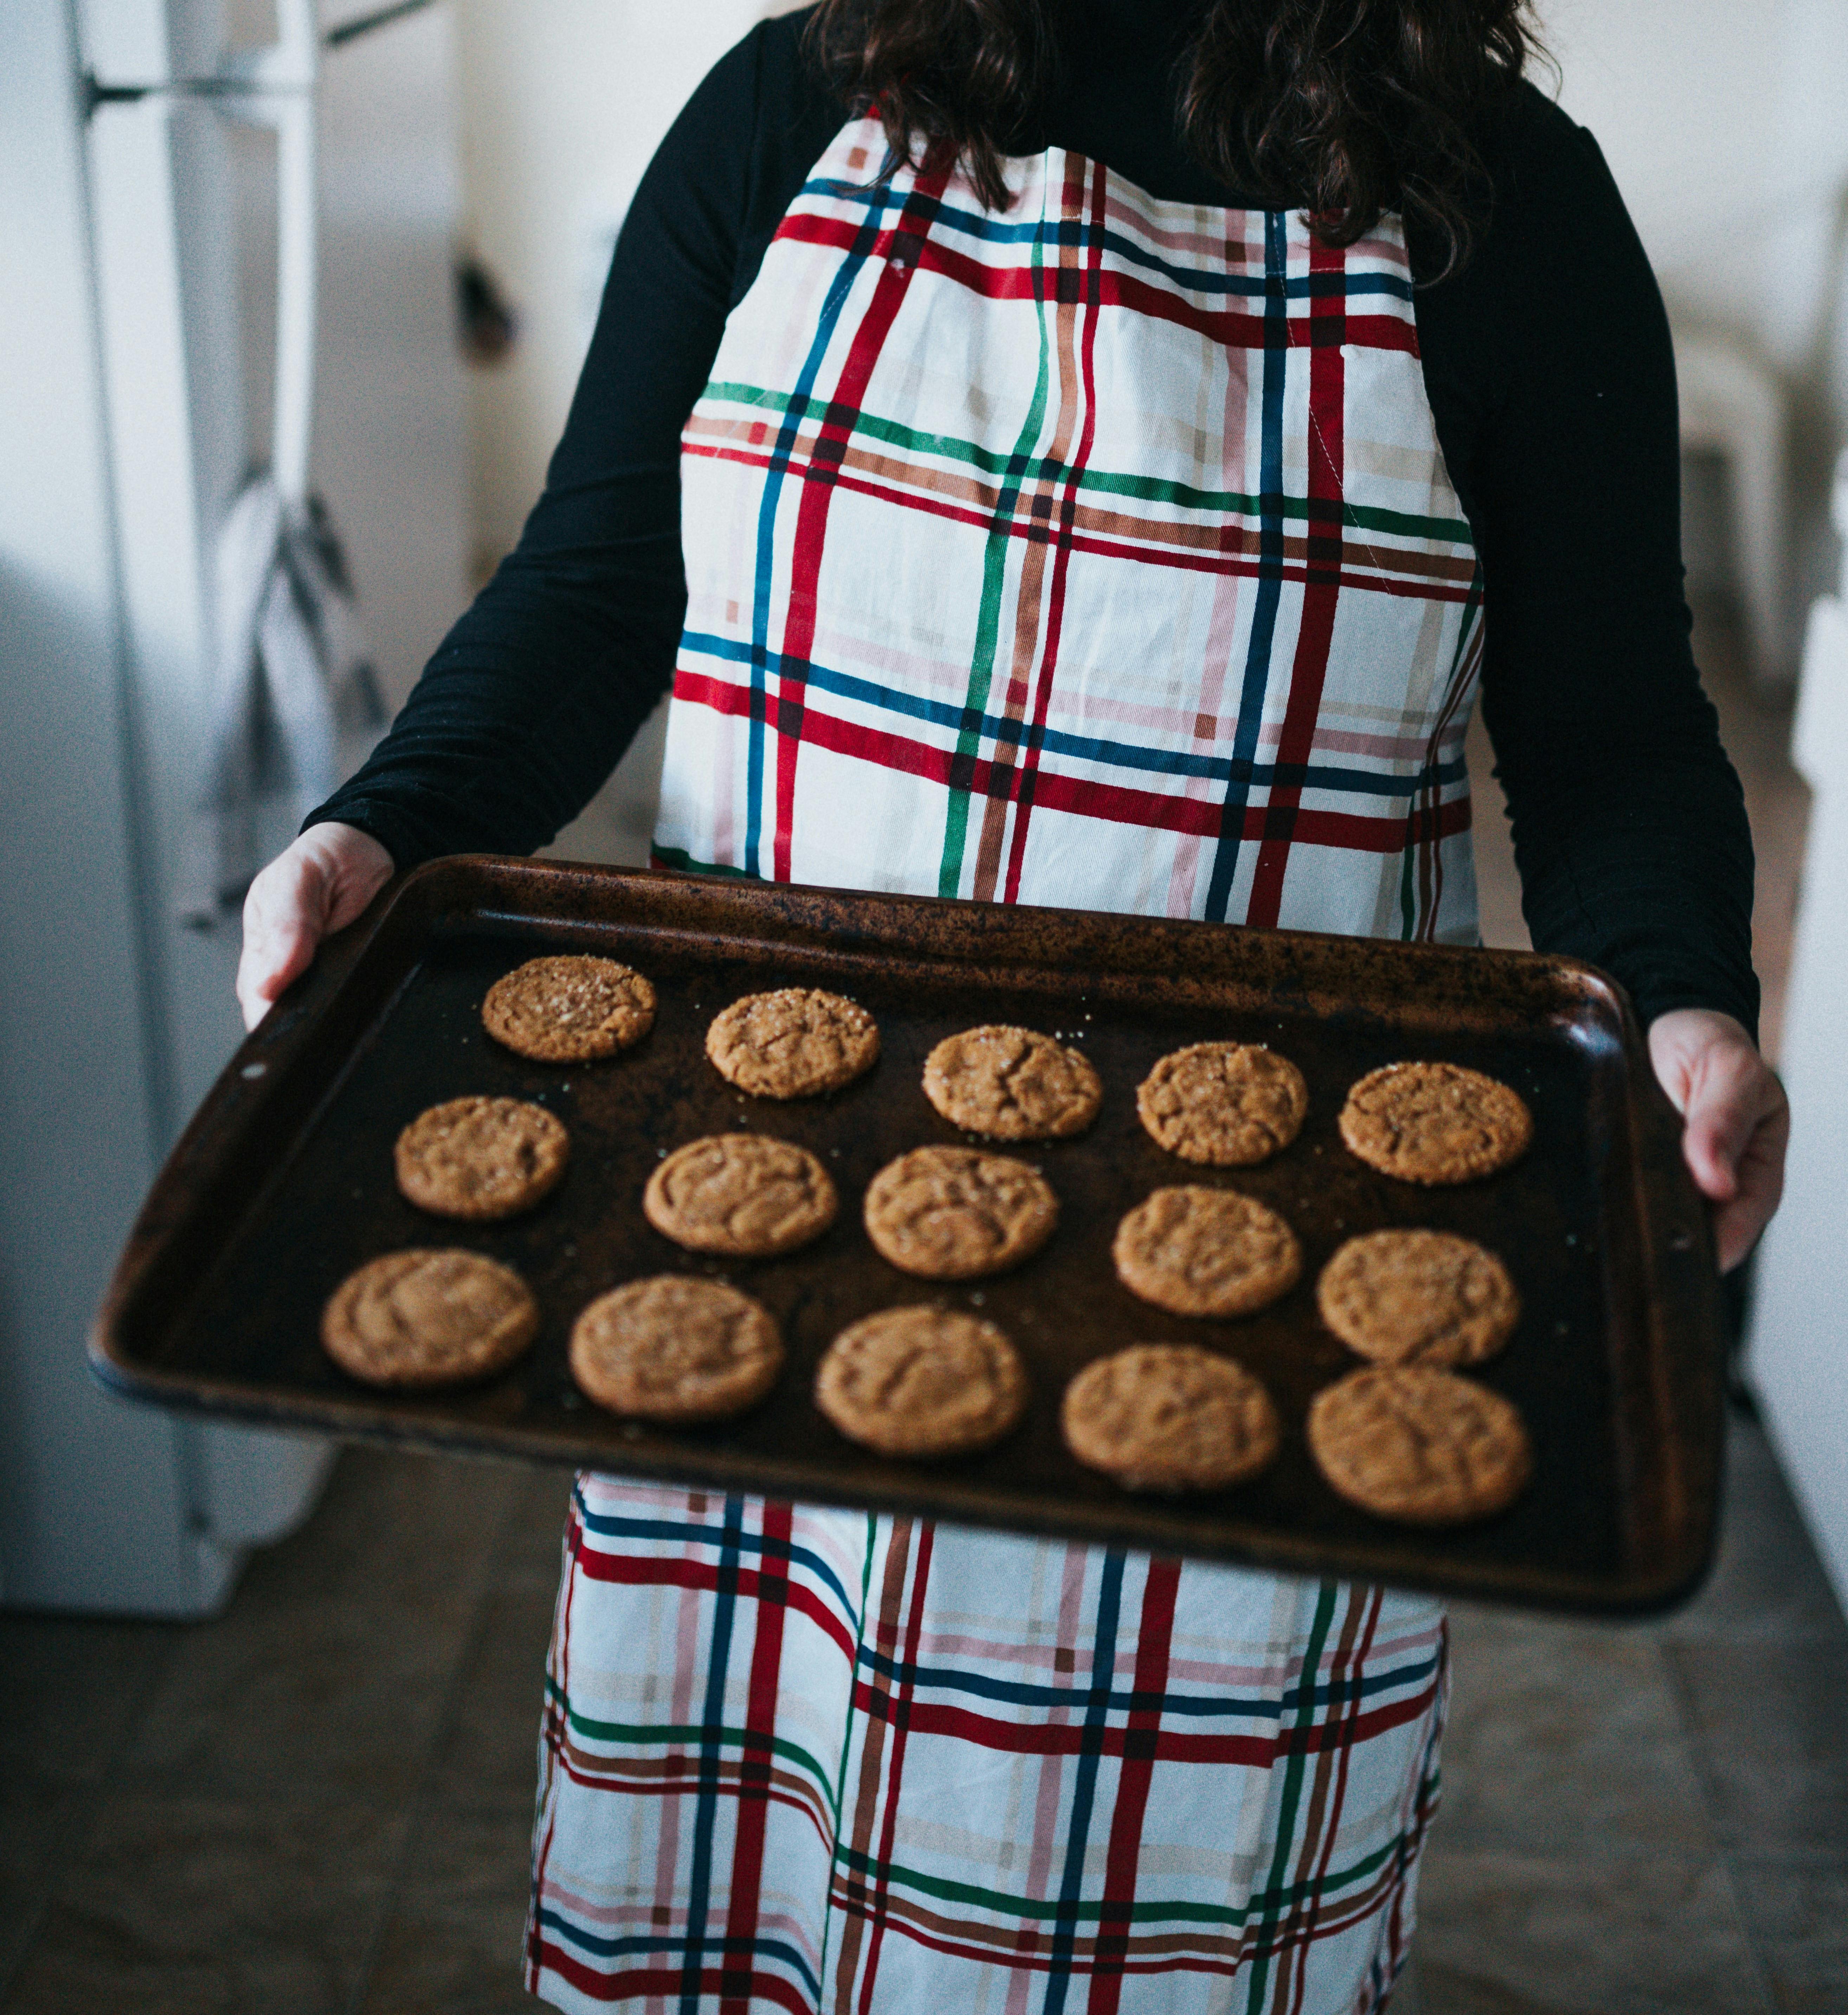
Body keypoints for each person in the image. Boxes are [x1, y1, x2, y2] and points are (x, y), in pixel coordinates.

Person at [238, 2, 1790, 2007]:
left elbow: (1611, 728)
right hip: (764, 1270)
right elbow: (598, 577)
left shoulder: (1507, 207)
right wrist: (386, 826)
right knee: (743, 1861)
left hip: (1254, 1307)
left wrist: (1680, 999)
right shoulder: (784, 110)